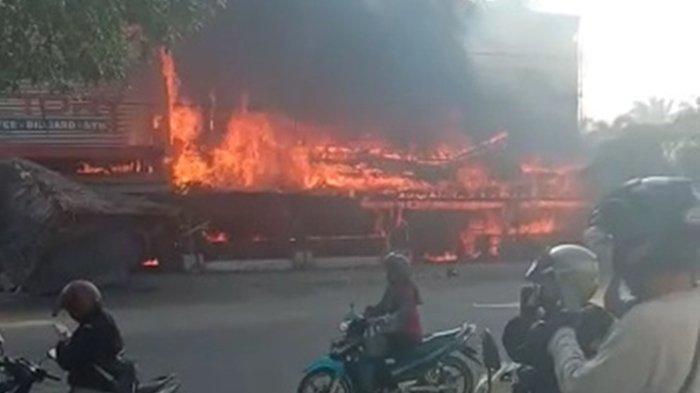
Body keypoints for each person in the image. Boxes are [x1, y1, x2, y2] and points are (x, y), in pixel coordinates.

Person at [544, 177, 700, 393]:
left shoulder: (647, 323)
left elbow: (580, 387)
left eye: (616, 241)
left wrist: (560, 334)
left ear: (640, 248)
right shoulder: (687, 304)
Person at [359, 253, 423, 392]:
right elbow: (383, 306)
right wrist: (369, 312)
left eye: (391, 270)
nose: (388, 273)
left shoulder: (407, 289)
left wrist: (384, 320)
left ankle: (389, 385)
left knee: (377, 350)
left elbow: (404, 313)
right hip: (397, 329)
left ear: (398, 271)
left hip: (408, 333)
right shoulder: (393, 287)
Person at [52, 280, 125, 393]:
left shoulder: (92, 329)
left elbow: (69, 360)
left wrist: (63, 342)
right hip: (103, 382)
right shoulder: (102, 319)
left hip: (93, 385)